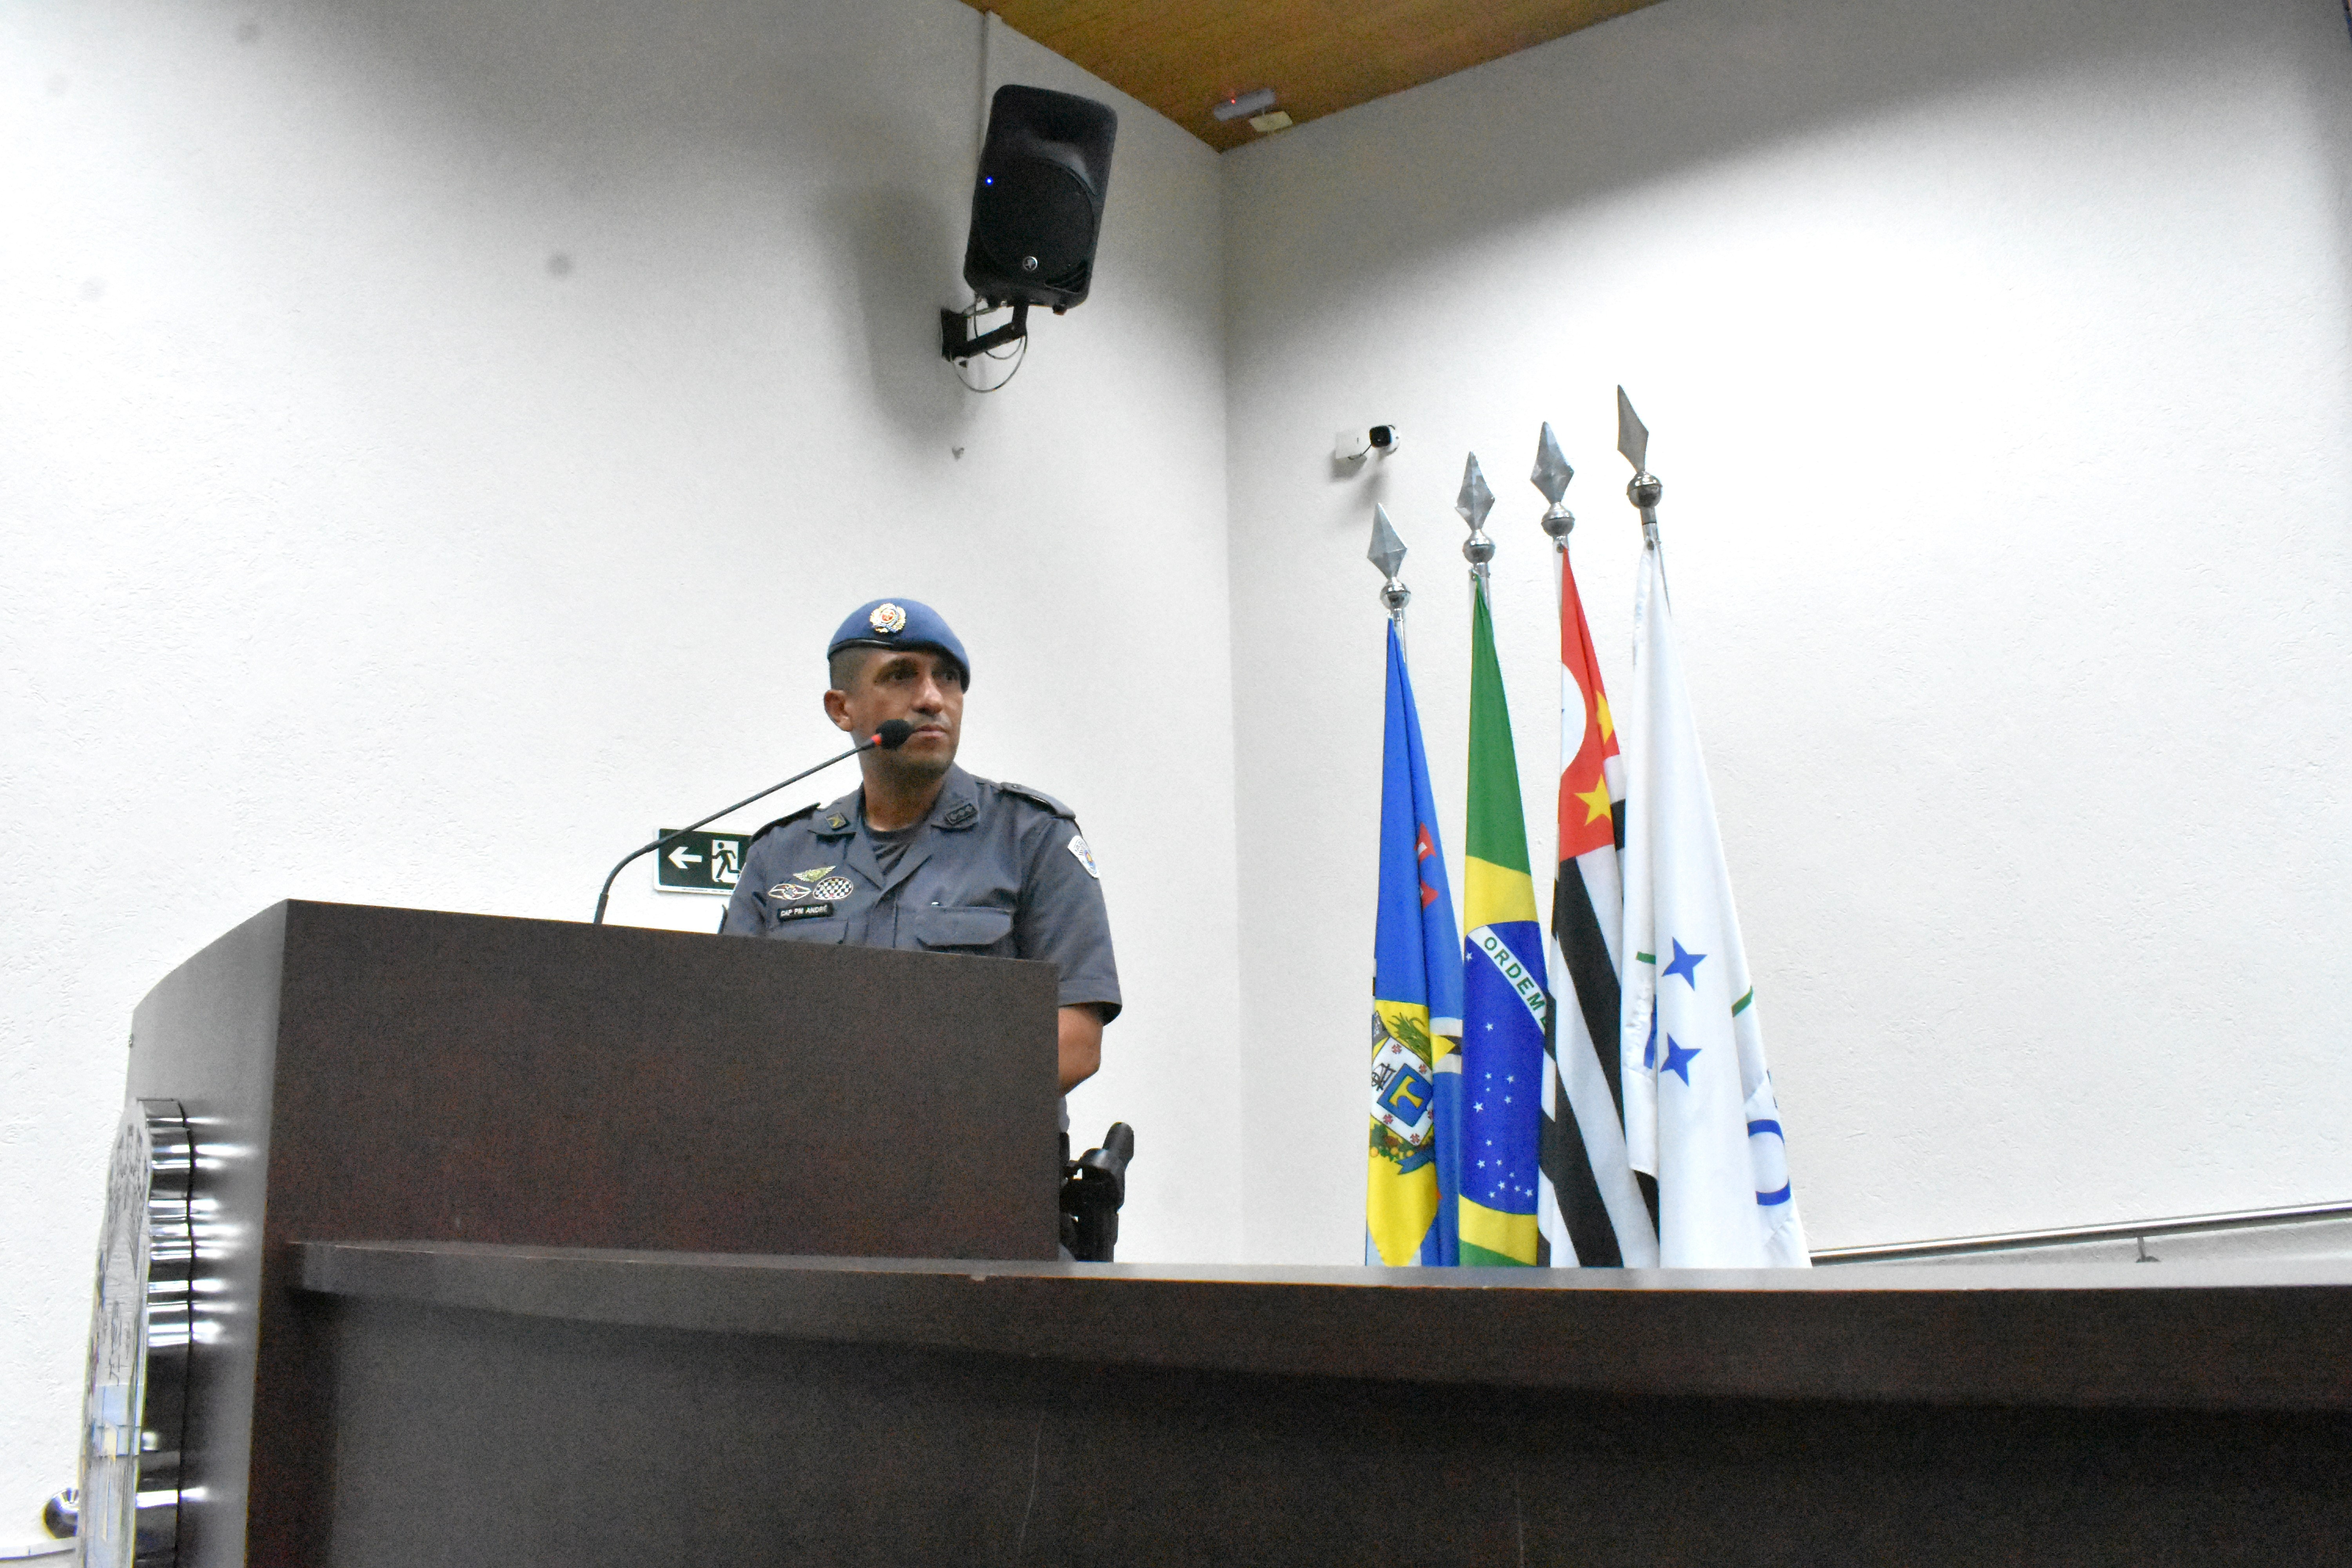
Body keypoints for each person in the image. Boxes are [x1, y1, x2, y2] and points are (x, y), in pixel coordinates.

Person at [719, 597, 1118, 1094]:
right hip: (807, 1139)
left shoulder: (1032, 836)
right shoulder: (781, 855)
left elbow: (1076, 1043)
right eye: (901, 675)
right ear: (842, 708)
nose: (932, 699)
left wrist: (909, 1110)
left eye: (948, 678)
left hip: (976, 1140)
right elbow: (729, 1029)